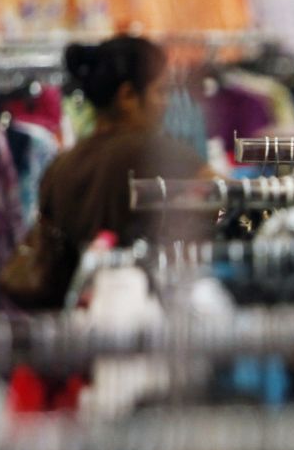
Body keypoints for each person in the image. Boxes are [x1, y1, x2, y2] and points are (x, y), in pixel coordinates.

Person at [29, 36, 207, 300]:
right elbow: (228, 197)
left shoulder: (60, 165)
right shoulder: (158, 154)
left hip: (72, 323)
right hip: (144, 314)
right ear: (127, 96)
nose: (167, 103)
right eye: (160, 92)